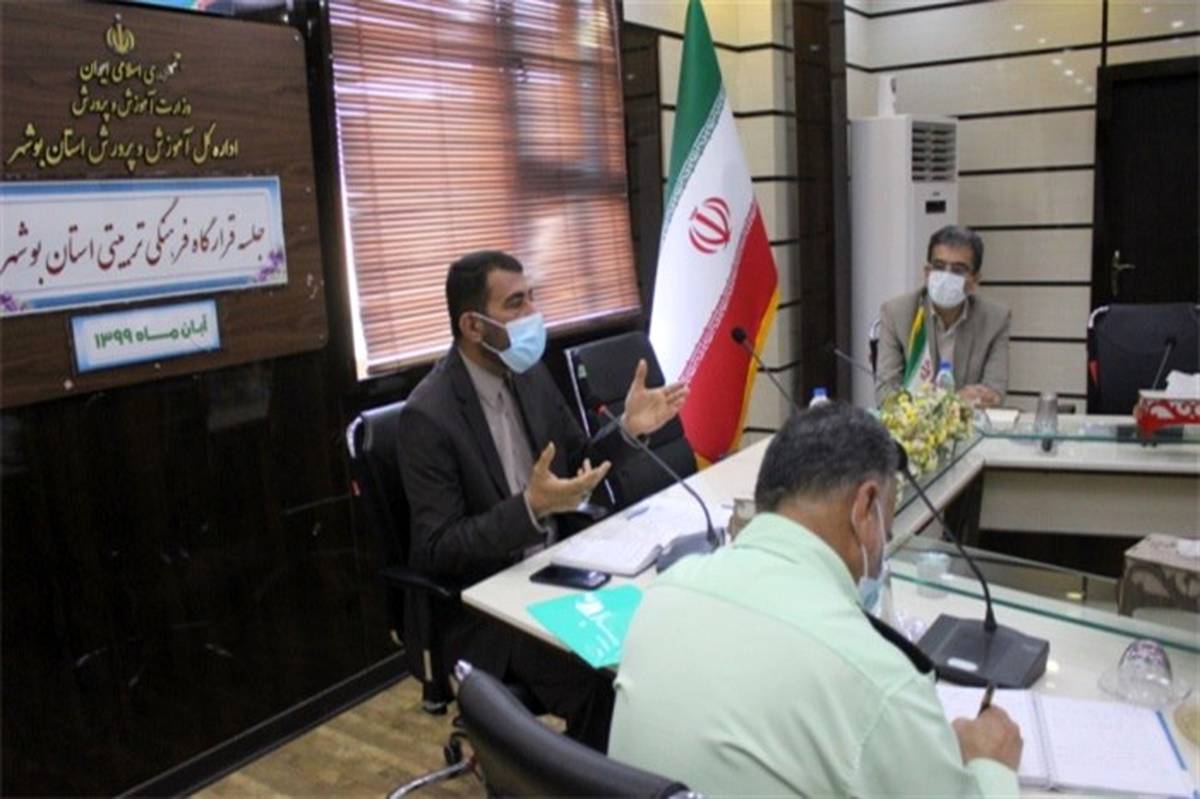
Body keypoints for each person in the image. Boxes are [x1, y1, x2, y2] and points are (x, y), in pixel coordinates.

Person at [608, 403, 1022, 796]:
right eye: (887, 532)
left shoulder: (663, 593)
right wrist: (992, 764)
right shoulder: (879, 681)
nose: (881, 552)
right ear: (865, 507)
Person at [397, 250, 686, 751]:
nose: (534, 313)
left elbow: (578, 462)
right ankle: (583, 781)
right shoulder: (429, 415)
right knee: (605, 684)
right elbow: (438, 548)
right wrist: (529, 510)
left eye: (532, 297)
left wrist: (627, 429)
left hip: (558, 572)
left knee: (658, 636)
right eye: (516, 303)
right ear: (473, 325)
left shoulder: (529, 375)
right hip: (488, 610)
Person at [876, 225, 1011, 407]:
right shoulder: (897, 313)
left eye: (958, 270)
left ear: (975, 280)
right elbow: (885, 394)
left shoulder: (995, 319)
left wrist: (949, 404)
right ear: (927, 273)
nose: (946, 277)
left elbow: (994, 394)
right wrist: (949, 402)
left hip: (970, 423)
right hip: (913, 423)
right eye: (939, 267)